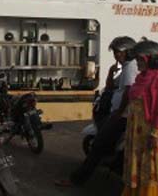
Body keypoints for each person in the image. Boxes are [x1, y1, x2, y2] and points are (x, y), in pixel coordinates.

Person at [55, 36, 137, 187]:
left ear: (129, 52)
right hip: (121, 113)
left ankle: (76, 180)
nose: (116, 55)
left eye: (119, 52)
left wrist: (119, 111)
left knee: (98, 146)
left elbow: (129, 91)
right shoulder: (126, 67)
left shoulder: (131, 66)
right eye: (115, 52)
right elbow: (111, 86)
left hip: (122, 116)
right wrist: (112, 71)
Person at [122, 40, 158, 196]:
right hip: (137, 132)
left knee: (150, 167)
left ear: (150, 60)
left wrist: (155, 133)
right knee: (138, 166)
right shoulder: (141, 79)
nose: (138, 63)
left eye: (140, 60)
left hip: (150, 133)